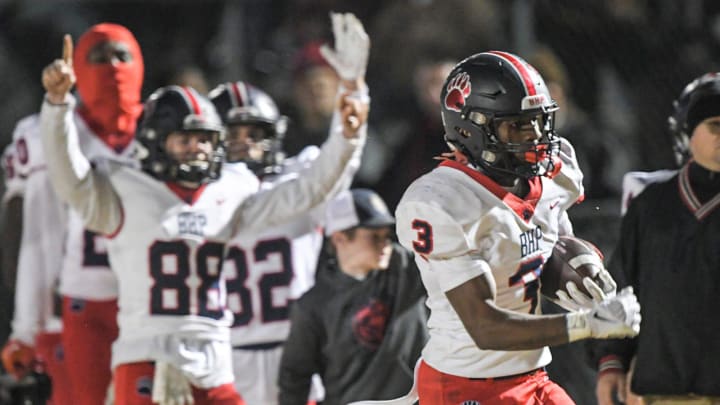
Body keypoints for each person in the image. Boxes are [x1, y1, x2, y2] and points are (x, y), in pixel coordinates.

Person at [39, 11, 369, 404]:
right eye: (185, 139)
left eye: (205, 140)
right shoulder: (127, 189)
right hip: (148, 353)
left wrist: (348, 134)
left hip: (215, 359)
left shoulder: (228, 191)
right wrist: (57, 107)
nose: (197, 149)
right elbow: (68, 178)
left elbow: (308, 191)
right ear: (158, 142)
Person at [385, 51, 641, 405]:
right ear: (469, 129)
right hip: (467, 386)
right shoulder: (440, 201)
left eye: (538, 122)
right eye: (517, 125)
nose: (534, 136)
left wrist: (583, 268)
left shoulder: (553, 175)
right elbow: (485, 326)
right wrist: (587, 323)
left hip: (534, 376)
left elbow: (553, 246)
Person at [1, 23, 144, 405]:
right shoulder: (44, 132)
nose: (112, 67)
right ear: (78, 67)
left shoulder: (163, 132)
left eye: (121, 56)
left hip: (152, 308)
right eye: (99, 57)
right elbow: (30, 230)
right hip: (72, 312)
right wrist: (26, 328)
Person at [208, 79, 362, 404]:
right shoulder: (202, 197)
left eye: (254, 134)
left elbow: (334, 170)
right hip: (225, 351)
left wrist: (349, 125)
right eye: (232, 134)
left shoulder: (299, 176)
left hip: (295, 350)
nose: (244, 144)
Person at [594, 72, 720, 405]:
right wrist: (612, 360)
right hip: (667, 388)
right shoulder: (652, 205)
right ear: (687, 134)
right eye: (715, 125)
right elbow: (621, 286)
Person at [278, 188, 428, 405]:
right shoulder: (314, 304)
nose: (385, 243)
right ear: (339, 238)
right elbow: (294, 376)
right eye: (374, 236)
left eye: (386, 235)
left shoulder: (405, 266)